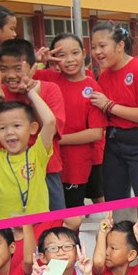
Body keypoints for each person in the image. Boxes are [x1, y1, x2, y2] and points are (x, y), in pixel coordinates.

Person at [0, 38, 66, 212]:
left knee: (55, 221)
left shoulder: (50, 89)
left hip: (46, 171)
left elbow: (51, 131)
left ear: (33, 67)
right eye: (4, 69)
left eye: (18, 68)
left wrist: (32, 97)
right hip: (7, 173)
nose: (10, 75)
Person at [90, 22, 138, 199]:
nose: (97, 52)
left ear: (120, 46)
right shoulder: (104, 76)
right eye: (93, 47)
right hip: (114, 142)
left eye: (102, 46)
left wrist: (110, 106)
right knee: (115, 200)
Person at [37, 34, 105, 208]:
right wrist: (37, 61)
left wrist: (57, 139)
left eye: (75, 53)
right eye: (62, 55)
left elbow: (96, 132)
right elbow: (19, 78)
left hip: (75, 165)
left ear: (83, 53)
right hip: (46, 162)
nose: (69, 60)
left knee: (72, 214)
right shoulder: (47, 78)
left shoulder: (92, 88)